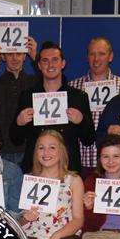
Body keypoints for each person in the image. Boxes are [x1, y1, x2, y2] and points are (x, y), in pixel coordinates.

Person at [14, 41, 95, 173]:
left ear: (63, 63)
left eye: (55, 60)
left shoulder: (78, 96)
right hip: (35, 170)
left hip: (69, 170)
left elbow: (89, 140)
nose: (50, 65)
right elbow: (15, 140)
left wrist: (81, 121)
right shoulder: (27, 96)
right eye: (45, 61)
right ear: (39, 65)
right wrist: (19, 123)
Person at [68, 37, 120, 177]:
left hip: (114, 164)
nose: (96, 59)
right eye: (92, 54)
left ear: (111, 56)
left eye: (102, 54)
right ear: (87, 57)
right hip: (82, 161)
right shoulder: (73, 87)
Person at [0, 36, 39, 165]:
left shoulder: (34, 82)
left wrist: (36, 59)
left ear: (25, 56)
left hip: (29, 151)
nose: (15, 58)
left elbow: (52, 85)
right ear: (3, 57)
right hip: (1, 151)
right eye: (10, 54)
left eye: (19, 53)